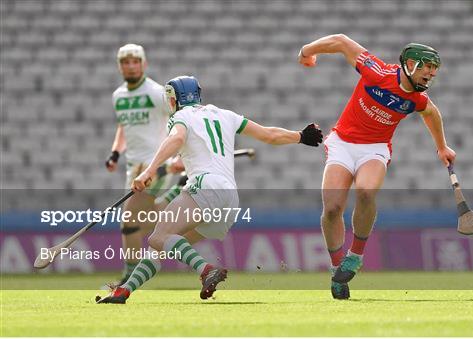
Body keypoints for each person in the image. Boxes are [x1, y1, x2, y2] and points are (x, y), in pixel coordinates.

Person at [97, 75, 323, 303]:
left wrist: (148, 172)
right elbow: (269, 135)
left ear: (174, 99)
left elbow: (176, 139)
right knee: (162, 244)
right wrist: (301, 136)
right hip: (230, 199)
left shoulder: (180, 117)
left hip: (204, 187)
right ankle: (124, 291)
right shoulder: (226, 115)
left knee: (158, 237)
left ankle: (206, 270)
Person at [297, 34, 456, 299]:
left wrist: (442, 147)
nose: (430, 75)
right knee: (333, 208)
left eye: (433, 71)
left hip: (376, 148)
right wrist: (307, 51)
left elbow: (432, 114)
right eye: (426, 68)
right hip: (342, 143)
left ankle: (355, 255)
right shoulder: (377, 72)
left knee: (367, 192)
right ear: (409, 64)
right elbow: (341, 42)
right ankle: (338, 270)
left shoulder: (417, 99)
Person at [106, 43, 183, 285]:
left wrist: (179, 154)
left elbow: (180, 119)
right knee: (145, 220)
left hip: (155, 165)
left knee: (129, 221)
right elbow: (124, 127)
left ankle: (129, 276)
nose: (131, 66)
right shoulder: (118, 96)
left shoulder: (156, 92)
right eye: (126, 63)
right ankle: (179, 205)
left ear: (144, 64)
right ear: (120, 67)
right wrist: (115, 153)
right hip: (133, 167)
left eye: (135, 61)